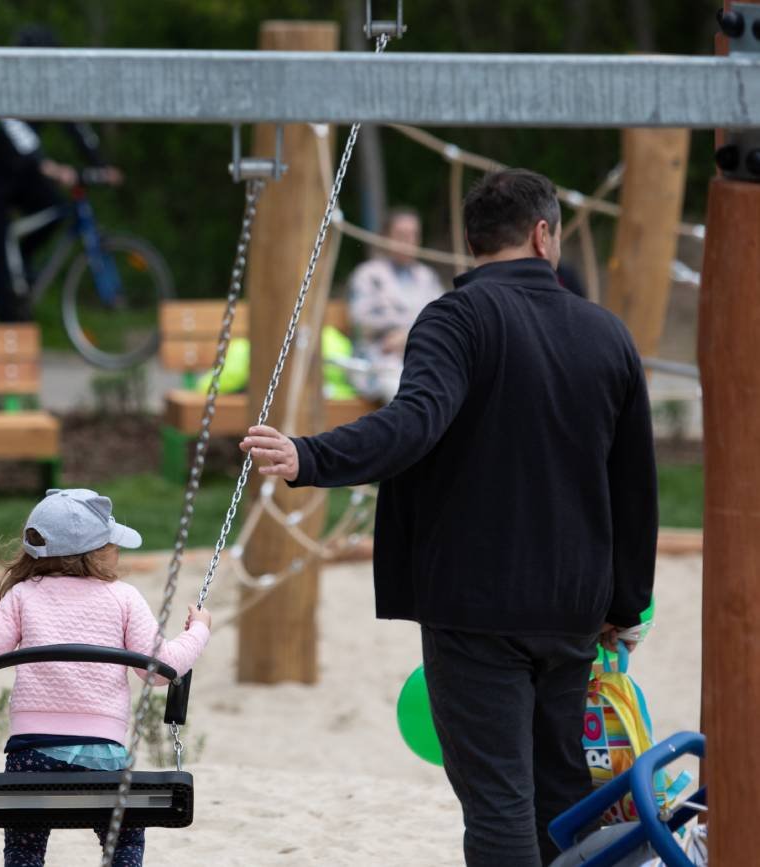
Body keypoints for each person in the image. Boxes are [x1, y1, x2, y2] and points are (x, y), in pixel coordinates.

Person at [240, 169, 656, 867]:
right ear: (543, 234)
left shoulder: (455, 318)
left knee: (498, 797)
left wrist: (309, 456)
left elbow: (414, 423)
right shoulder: (607, 334)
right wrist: (627, 601)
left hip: (477, 604)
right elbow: (634, 482)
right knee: (562, 792)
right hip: (575, 605)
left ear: (472, 244)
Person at [0, 488, 211, 867]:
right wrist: (198, 630)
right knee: (125, 837)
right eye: (111, 543)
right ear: (97, 552)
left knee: (24, 846)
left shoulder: (23, 595)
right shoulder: (124, 597)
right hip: (102, 754)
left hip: (30, 755)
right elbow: (158, 670)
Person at [0, 25, 122, 322]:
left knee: (56, 209)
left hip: (20, 170)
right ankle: (6, 312)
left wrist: (102, 165)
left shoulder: (50, 87)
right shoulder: (4, 82)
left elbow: (76, 126)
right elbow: (14, 128)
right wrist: (46, 164)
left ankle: (19, 264)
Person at [345, 207, 445, 402]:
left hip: (421, 356)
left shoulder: (427, 277)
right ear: (385, 237)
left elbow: (443, 319)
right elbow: (360, 321)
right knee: (402, 389)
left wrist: (408, 336)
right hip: (379, 359)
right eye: (401, 235)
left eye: (413, 235)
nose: (407, 242)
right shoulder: (368, 274)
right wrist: (408, 330)